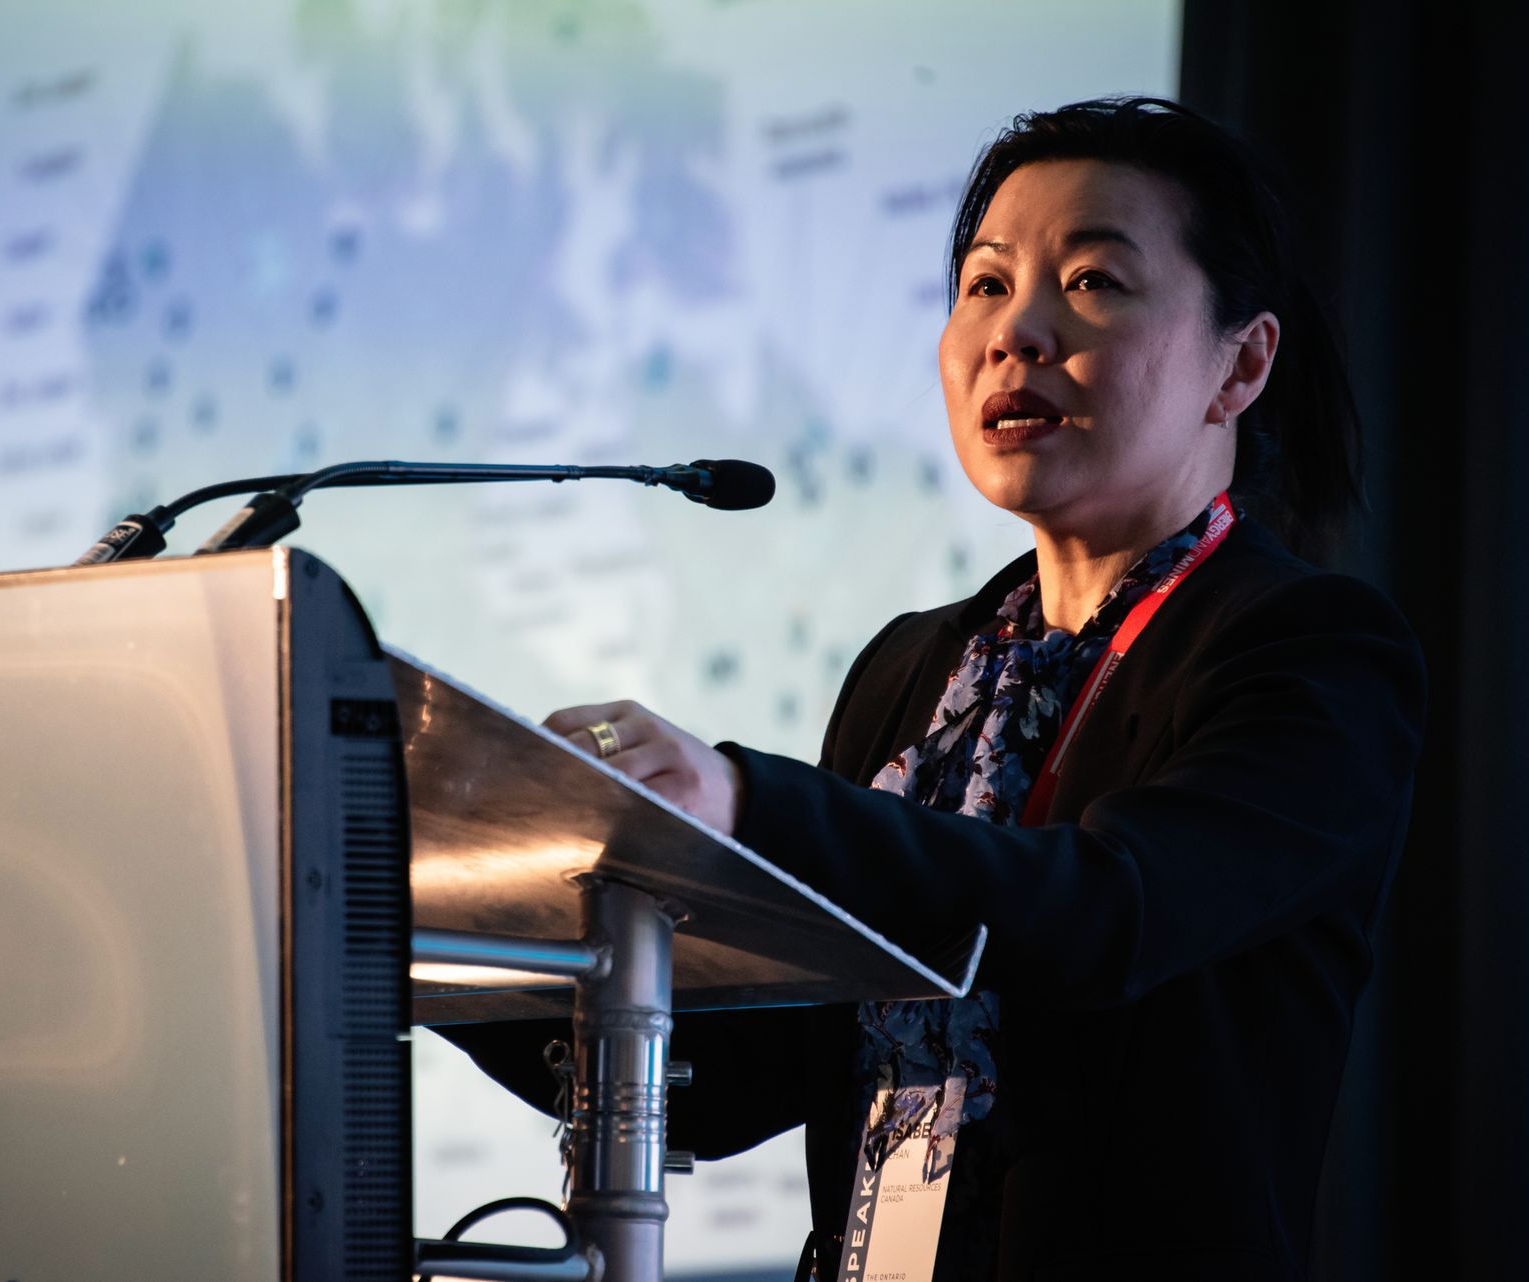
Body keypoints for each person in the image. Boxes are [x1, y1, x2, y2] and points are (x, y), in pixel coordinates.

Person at [446, 97, 1425, 1281]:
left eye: (1094, 282)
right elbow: (752, 1075)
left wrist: (746, 806)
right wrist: (435, 947)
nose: (1017, 333)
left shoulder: (1309, 649)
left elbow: (1108, 912)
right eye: (985, 284)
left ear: (1243, 362)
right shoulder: (915, 670)